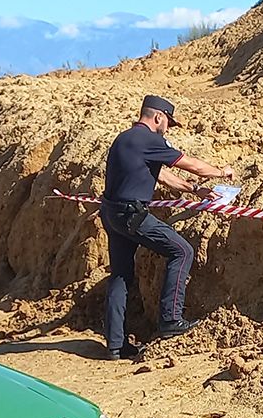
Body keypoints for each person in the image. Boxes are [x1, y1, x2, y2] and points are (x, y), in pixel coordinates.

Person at [99, 95, 233, 361]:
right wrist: (221, 172)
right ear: (158, 117)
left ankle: (115, 345)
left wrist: (194, 190)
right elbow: (192, 165)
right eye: (168, 122)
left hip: (111, 213)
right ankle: (171, 320)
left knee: (121, 275)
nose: (168, 128)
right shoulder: (150, 140)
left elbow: (159, 174)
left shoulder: (124, 138)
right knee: (182, 251)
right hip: (131, 214)